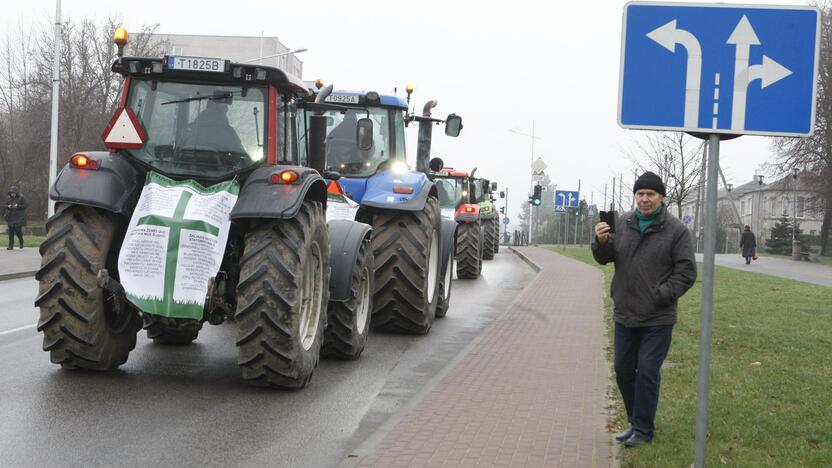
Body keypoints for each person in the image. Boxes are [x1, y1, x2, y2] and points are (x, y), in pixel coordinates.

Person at [591, 171, 697, 448]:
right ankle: (636, 422)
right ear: (635, 196)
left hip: (657, 316)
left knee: (648, 370)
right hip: (625, 312)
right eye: (640, 194)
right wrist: (600, 242)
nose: (645, 199)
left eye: (650, 194)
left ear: (661, 197)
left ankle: (643, 430)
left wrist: (661, 294)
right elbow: (606, 258)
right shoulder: (624, 223)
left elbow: (686, 273)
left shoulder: (676, 231)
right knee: (624, 369)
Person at [181, 97, 246, 155]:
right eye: (224, 107)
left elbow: (177, 153)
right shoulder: (227, 132)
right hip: (218, 168)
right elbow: (241, 156)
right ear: (216, 107)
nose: (227, 109)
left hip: (185, 167)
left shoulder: (189, 129)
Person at [5, 186, 27, 250]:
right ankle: (10, 246)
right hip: (10, 217)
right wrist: (8, 206)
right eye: (11, 193)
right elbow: (5, 205)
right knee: (10, 232)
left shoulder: (22, 197)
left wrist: (18, 206)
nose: (13, 194)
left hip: (19, 217)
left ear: (16, 192)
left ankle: (21, 241)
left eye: (14, 193)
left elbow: (26, 205)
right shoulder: (8, 198)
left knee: (17, 231)